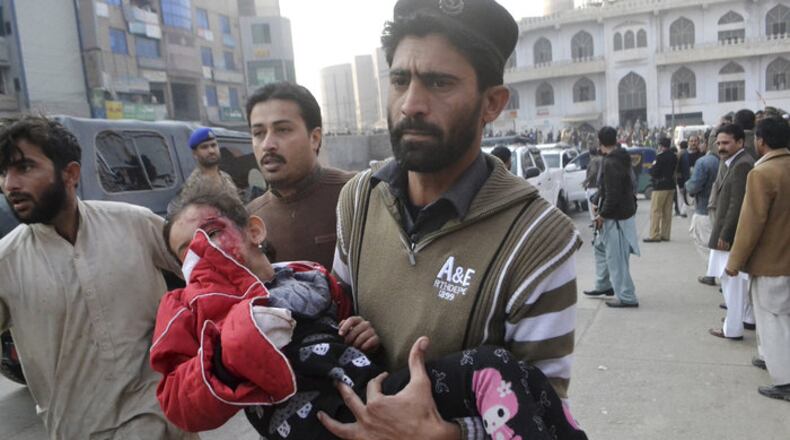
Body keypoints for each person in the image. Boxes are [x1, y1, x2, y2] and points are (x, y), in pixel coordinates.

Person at [326, 1, 582, 438]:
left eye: (439, 83)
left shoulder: (540, 238)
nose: (411, 104)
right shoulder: (358, 199)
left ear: (492, 103)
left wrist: (446, 435)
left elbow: (543, 410)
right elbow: (335, 323)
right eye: (400, 80)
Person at [151, 184, 588, 440]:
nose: (202, 254)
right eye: (185, 253)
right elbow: (177, 401)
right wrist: (235, 344)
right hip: (319, 420)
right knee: (489, 373)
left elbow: (345, 313)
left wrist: (359, 329)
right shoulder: (190, 309)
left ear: (253, 230)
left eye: (210, 234)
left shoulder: (304, 275)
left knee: (516, 375)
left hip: (369, 387)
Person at [0, 115, 193, 439]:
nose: (9, 185)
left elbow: (208, 272)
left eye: (25, 168)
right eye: (4, 172)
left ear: (71, 174)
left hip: (167, 424)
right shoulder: (6, 261)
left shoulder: (135, 224)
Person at [245, 82, 355, 270]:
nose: (267, 144)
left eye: (282, 130)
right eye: (258, 133)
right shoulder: (249, 219)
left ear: (315, 138)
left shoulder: (357, 195)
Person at [726, 117, 790, 401]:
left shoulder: (762, 173)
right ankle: (771, 358)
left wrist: (733, 263)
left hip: (771, 261)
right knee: (781, 317)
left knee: (772, 319)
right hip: (784, 259)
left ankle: (785, 379)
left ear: (760, 141)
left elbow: (750, 224)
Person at [706, 123, 755, 340]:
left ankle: (733, 329)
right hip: (728, 232)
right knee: (736, 285)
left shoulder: (742, 165)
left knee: (732, 285)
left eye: (726, 143)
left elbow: (737, 204)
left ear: (740, 142)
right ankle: (746, 319)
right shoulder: (730, 162)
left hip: (730, 236)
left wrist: (725, 236)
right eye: (718, 143)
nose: (721, 147)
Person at [584, 127, 640, 308]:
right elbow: (608, 187)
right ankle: (604, 284)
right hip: (622, 213)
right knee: (600, 248)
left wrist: (602, 214)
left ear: (599, 142)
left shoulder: (611, 163)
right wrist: (596, 199)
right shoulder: (620, 157)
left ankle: (626, 296)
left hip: (616, 218)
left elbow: (613, 194)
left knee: (617, 260)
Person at [684, 134, 720, 284]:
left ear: (706, 143)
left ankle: (713, 272)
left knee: (704, 242)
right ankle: (711, 273)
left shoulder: (704, 162)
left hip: (704, 209)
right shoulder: (726, 161)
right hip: (720, 209)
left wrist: (687, 186)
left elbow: (694, 186)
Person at [182, 127, 239, 197]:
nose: (211, 151)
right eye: (204, 147)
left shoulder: (226, 177)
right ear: (195, 154)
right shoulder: (194, 185)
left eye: (213, 145)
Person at [644, 137, 676, 242]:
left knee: (656, 211)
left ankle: (654, 235)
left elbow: (654, 172)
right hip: (671, 185)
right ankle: (665, 234)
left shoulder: (659, 157)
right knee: (667, 211)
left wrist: (651, 169)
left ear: (661, 146)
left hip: (660, 186)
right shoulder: (674, 156)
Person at [584, 146, 602, 221]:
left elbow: (593, 172)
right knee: (600, 208)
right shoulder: (602, 159)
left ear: (590, 154)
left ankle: (595, 224)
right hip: (601, 187)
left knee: (593, 210)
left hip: (592, 187)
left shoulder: (593, 161)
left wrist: (586, 181)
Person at [674, 140, 691, 218]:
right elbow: (686, 168)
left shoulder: (679, 154)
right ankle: (683, 211)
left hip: (679, 178)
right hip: (684, 177)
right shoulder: (686, 154)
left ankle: (682, 211)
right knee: (684, 194)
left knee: (681, 195)